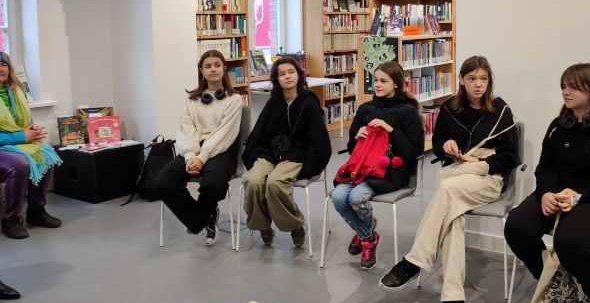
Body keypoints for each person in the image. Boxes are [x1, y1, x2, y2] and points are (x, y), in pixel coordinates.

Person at [379, 55, 519, 303]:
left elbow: (510, 157)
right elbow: (439, 142)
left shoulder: (500, 111)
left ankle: (414, 261)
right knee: (452, 214)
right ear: (461, 80)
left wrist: (480, 162)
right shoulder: (449, 109)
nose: (478, 84)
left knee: (446, 188)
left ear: (489, 81)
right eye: (472, 78)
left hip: (486, 177)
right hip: (456, 174)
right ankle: (453, 298)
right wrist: (446, 146)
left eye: (483, 79)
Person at [504, 62, 590, 303]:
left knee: (569, 240)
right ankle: (554, 280)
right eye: (564, 86)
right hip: (559, 195)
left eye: (573, 87)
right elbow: (546, 167)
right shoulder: (558, 126)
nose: (566, 91)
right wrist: (545, 194)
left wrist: (580, 196)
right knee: (516, 226)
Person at [331, 61, 424, 270]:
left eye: (384, 81)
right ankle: (369, 236)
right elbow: (352, 148)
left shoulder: (408, 112)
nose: (378, 85)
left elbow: (414, 152)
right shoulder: (365, 109)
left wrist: (391, 130)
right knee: (338, 197)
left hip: (390, 173)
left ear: (396, 84)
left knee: (356, 198)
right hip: (361, 169)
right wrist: (357, 136)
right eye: (376, 80)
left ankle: (363, 236)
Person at [241, 57, 331, 248]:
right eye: (282, 74)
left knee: (275, 183)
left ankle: (295, 226)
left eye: (291, 72)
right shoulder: (273, 103)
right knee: (253, 181)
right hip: (271, 153)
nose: (287, 77)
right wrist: (255, 158)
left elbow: (319, 140)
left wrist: (309, 168)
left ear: (299, 75)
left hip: (297, 155)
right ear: (276, 79)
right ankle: (262, 226)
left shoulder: (308, 102)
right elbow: (259, 134)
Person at [155, 50, 243, 246]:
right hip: (192, 149)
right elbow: (186, 129)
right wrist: (190, 156)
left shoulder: (234, 99)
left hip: (221, 149)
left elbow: (224, 134)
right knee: (163, 183)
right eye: (208, 66)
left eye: (217, 65)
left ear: (224, 69)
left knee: (213, 185)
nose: (213, 69)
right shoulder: (191, 100)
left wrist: (201, 158)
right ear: (201, 70)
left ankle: (199, 217)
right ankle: (205, 216)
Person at [0, 51, 62, 239]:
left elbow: (23, 121)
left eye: (3, 64)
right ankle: (11, 219)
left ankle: (36, 211)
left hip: (15, 143)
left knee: (45, 154)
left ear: (9, 68)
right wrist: (21, 136)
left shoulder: (16, 91)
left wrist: (32, 127)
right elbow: (17, 132)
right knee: (20, 164)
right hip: (6, 146)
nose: (0, 68)